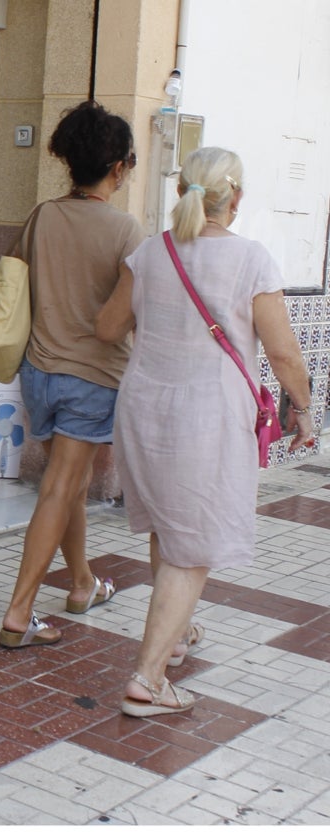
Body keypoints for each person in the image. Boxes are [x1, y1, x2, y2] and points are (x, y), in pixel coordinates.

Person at [96, 146, 316, 715]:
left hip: (144, 406)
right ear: (234, 197)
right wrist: (306, 410)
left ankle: (173, 640)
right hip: (208, 416)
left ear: (181, 193)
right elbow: (284, 353)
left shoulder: (150, 253)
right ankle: (147, 680)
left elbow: (109, 326)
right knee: (191, 549)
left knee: (168, 529)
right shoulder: (251, 259)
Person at [0, 101, 146, 648]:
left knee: (72, 485)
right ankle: (19, 612)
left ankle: (82, 584)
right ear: (117, 167)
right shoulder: (127, 231)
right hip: (92, 376)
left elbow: (18, 281)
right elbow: (127, 315)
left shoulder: (42, 215)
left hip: (38, 371)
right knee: (61, 486)